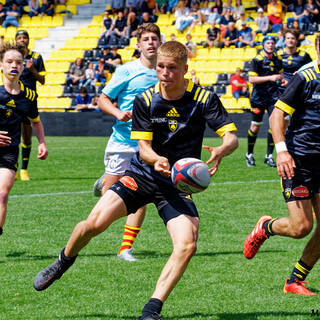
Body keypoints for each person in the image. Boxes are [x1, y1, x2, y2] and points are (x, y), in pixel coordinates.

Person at [33, 40, 238, 320]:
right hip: (142, 175)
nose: (165, 73)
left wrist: (221, 150)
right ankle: (63, 261)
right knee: (93, 224)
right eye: (161, 67)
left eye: (172, 68)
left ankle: (152, 309)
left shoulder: (204, 99)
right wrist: (157, 159)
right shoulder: (145, 99)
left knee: (187, 244)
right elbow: (143, 148)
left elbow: (231, 137)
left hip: (176, 185)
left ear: (185, 69)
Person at [243, 33, 320, 296]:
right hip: (299, 159)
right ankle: (266, 227)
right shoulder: (305, 77)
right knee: (301, 227)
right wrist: (282, 151)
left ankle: (294, 281)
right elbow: (277, 115)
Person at [92, 23, 161, 262]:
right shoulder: (126, 71)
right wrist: (117, 112)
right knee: (109, 200)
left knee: (140, 196)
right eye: (146, 39)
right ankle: (104, 184)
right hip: (122, 142)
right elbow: (102, 99)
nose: (151, 42)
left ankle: (125, 249)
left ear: (159, 43)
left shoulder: (165, 73)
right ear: (138, 45)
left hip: (147, 144)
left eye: (154, 38)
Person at [0, 42, 48, 236]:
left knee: (2, 195)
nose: (14, 65)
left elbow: (35, 122)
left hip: (9, 153)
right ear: (1, 65)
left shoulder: (29, 96)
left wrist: (42, 143)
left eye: (18, 62)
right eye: (9, 61)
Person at [246, 35, 286, 168]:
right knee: (255, 126)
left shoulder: (278, 58)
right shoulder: (256, 60)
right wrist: (270, 77)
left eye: (272, 43)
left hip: (273, 97)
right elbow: (252, 80)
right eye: (267, 43)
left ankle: (269, 156)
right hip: (258, 98)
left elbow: (280, 75)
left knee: (274, 125)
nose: (270, 45)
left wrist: (282, 80)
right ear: (263, 44)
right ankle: (249, 154)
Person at [15, 30, 45, 181]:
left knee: (26, 137)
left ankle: (24, 170)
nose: (22, 40)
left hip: (29, 101)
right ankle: (12, 168)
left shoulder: (36, 57)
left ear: (28, 40)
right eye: (19, 38)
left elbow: (42, 80)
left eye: (24, 37)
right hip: (12, 100)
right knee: (11, 136)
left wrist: (32, 69)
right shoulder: (13, 58)